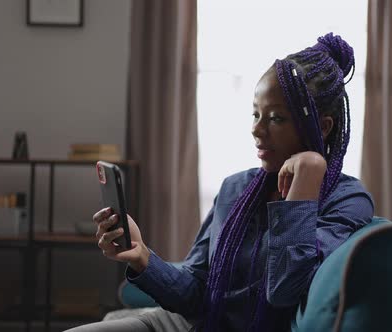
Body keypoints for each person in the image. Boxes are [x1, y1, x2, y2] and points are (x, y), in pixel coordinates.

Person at [67, 32, 374, 332]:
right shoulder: (234, 189)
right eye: (256, 114)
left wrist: (306, 181)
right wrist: (141, 255)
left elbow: (286, 290)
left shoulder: (347, 200)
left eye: (276, 118)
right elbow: (196, 293)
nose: (257, 130)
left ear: (322, 127)